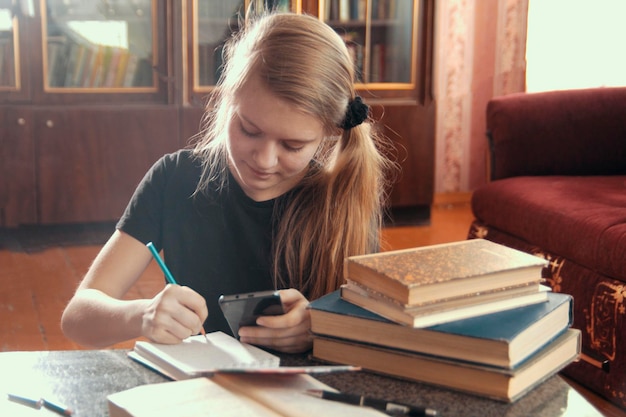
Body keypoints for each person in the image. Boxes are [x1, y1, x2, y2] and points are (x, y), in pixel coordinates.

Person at [61, 10, 396, 354]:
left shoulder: (340, 198)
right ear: (227, 99)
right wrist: (140, 315)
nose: (264, 160)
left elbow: (374, 341)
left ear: (328, 133)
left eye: (292, 146)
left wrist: (322, 330)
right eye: (249, 130)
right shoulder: (175, 179)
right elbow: (77, 319)